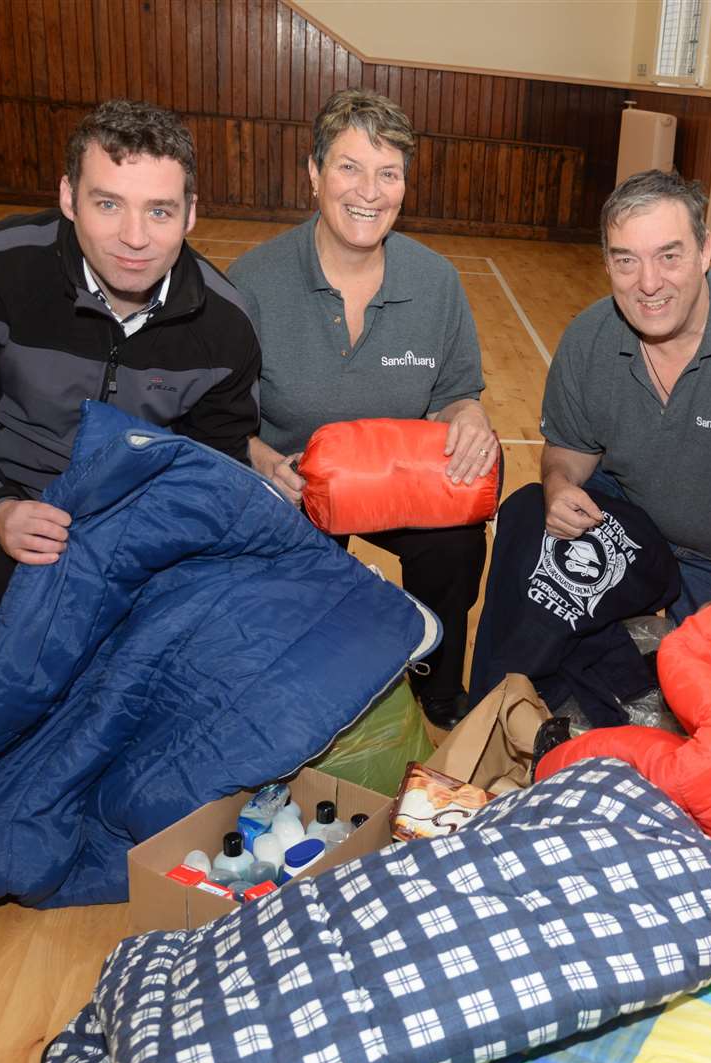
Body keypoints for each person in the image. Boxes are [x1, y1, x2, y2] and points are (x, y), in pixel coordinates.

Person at [0, 99, 261, 656]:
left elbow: (216, 463)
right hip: (0, 488)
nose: (134, 237)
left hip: (138, 508)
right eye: (108, 204)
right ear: (67, 197)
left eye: (159, 211)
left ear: (190, 212)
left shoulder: (226, 325)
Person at [229, 89, 497, 730]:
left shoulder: (435, 282)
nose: (368, 192)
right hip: (292, 485)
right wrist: (264, 459)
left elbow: (459, 390)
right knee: (288, 632)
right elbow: (219, 417)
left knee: (457, 541)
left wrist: (469, 417)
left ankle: (434, 681)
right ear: (315, 174)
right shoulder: (253, 282)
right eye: (349, 167)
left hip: (393, 480)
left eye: (388, 173)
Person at [534, 168, 711, 621]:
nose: (648, 283)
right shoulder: (588, 336)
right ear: (606, 263)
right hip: (627, 539)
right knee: (527, 527)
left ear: (705, 251)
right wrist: (558, 484)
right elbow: (568, 449)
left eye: (668, 256)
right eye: (626, 261)